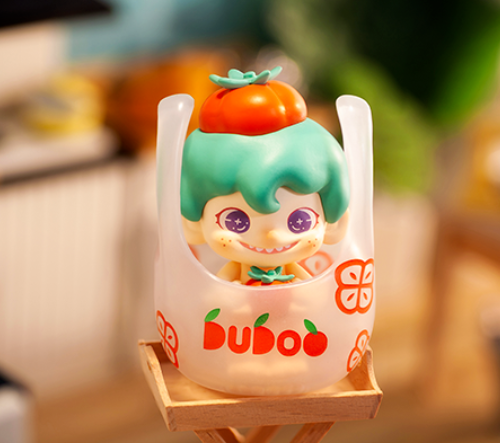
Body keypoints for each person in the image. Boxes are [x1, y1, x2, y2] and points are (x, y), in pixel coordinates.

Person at [181, 68, 350, 285]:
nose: (271, 236)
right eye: (236, 222)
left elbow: (312, 297)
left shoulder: (293, 271)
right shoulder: (233, 271)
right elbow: (219, 296)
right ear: (193, 223)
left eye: (299, 221)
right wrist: (231, 295)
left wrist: (302, 296)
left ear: (335, 222)